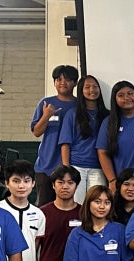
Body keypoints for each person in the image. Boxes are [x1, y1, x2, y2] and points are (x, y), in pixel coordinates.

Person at [62, 185, 131, 261]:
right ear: (88, 203)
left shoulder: (119, 230)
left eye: (107, 202)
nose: (102, 206)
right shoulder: (77, 234)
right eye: (97, 202)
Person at [0, 160, 46, 261]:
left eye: (26, 181)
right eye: (16, 181)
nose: (21, 186)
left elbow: (37, 252)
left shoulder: (39, 214)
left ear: (33, 183)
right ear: (7, 183)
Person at [35, 165, 82, 261]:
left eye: (70, 182)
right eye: (61, 182)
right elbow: (32, 252)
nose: (65, 186)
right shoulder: (42, 213)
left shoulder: (84, 213)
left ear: (76, 186)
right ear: (53, 185)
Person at [31, 64, 78, 204]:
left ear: (75, 83)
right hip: (46, 165)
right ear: (54, 82)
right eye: (58, 79)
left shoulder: (80, 105)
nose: (62, 82)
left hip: (72, 165)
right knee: (44, 207)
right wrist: (46, 116)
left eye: (67, 79)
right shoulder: (46, 103)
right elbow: (36, 132)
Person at [58, 74, 109, 203]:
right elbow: (65, 144)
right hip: (76, 167)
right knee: (77, 205)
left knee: (98, 204)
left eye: (95, 87)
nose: (92, 90)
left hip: (99, 168)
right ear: (81, 90)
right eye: (87, 87)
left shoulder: (107, 115)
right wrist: (66, 170)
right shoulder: (72, 114)